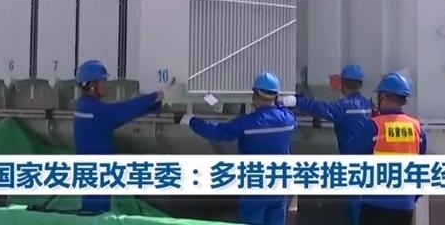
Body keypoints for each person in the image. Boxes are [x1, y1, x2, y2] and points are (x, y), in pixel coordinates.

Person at [178, 71, 296, 225]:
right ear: (276, 95)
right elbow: (283, 110)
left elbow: (217, 133)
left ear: (255, 95)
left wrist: (191, 120)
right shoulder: (288, 119)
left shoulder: (247, 123)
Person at [73, 59, 182, 214]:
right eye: (103, 81)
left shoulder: (84, 106)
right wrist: (159, 96)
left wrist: (158, 102)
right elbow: (124, 110)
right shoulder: (93, 111)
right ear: (92, 85)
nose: (105, 85)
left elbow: (123, 112)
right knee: (96, 214)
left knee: (94, 212)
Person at [281, 64, 372, 225]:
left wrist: (297, 101)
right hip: (370, 163)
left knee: (354, 208)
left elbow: (320, 108)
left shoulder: (344, 107)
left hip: (352, 165)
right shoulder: (369, 105)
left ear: (343, 84)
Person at [346, 72, 427, 225]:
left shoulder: (375, 125)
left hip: (376, 204)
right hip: (405, 206)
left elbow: (351, 151)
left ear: (383, 97)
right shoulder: (416, 127)